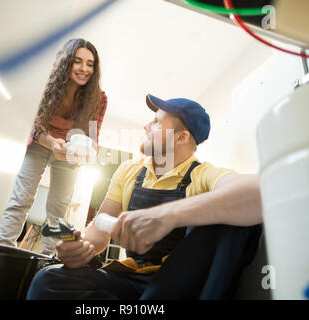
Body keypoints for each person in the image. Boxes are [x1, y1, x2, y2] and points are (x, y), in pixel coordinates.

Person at [26, 94, 263, 299]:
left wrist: (165, 216)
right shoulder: (129, 171)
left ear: (181, 137)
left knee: (229, 219)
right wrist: (82, 248)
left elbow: (260, 192)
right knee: (48, 281)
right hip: (133, 278)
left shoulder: (202, 175)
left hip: (178, 285)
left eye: (157, 122)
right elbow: (99, 232)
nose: (146, 126)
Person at [0, 38, 108, 255]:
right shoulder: (45, 85)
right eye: (77, 61)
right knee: (22, 198)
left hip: (69, 154)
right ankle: (3, 250)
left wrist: (85, 153)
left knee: (58, 208)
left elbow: (92, 137)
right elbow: (30, 123)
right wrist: (52, 142)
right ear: (66, 62)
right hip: (40, 144)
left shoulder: (99, 99)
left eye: (90, 64)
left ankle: (47, 258)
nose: (84, 68)